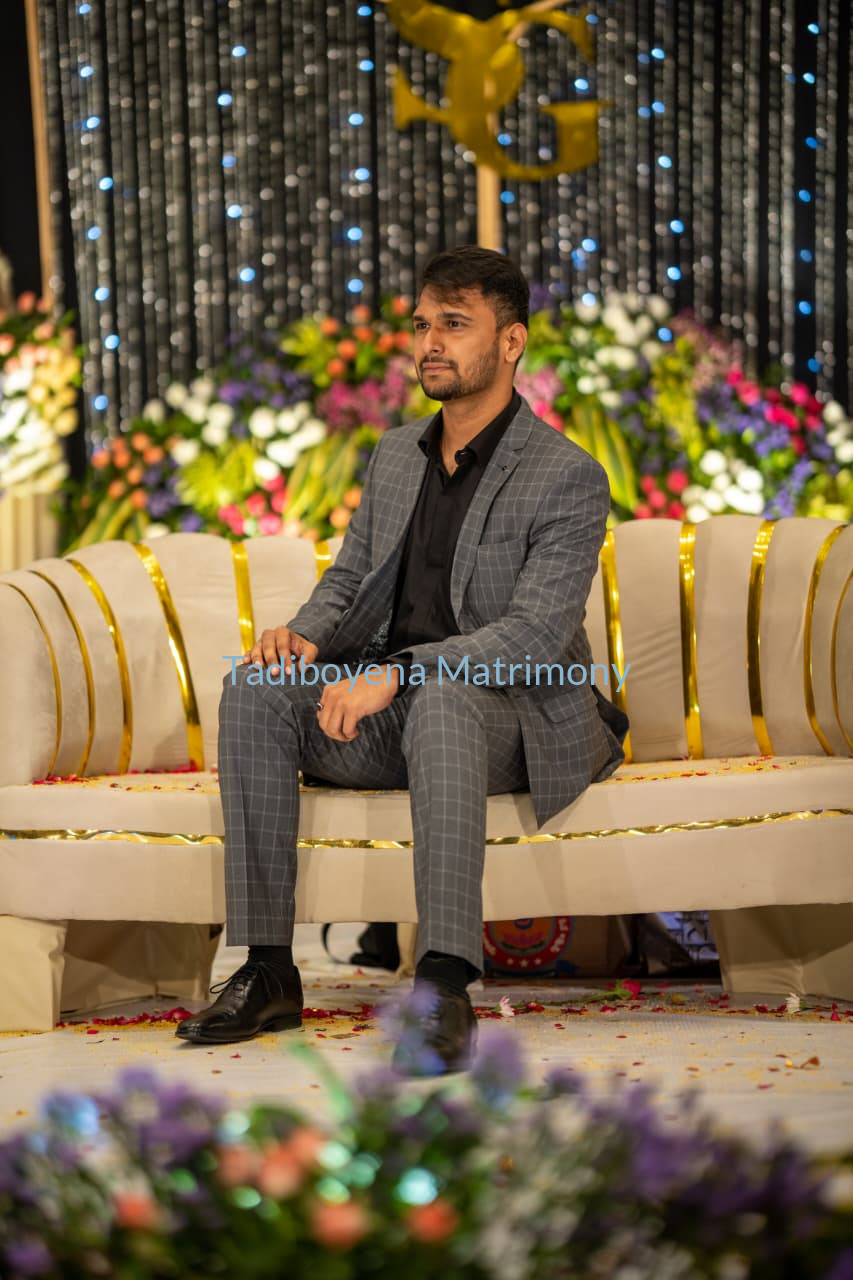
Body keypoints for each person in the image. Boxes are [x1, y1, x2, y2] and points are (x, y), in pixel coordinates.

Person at [176, 246, 628, 1073]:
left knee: (444, 695)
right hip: (401, 716)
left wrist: (400, 672)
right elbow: (351, 577)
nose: (430, 343)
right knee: (255, 689)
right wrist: (305, 637)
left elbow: (533, 635)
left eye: (454, 324)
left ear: (511, 341)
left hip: (516, 718)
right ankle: (268, 970)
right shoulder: (394, 455)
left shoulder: (567, 476)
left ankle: (443, 987)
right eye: (422, 325)